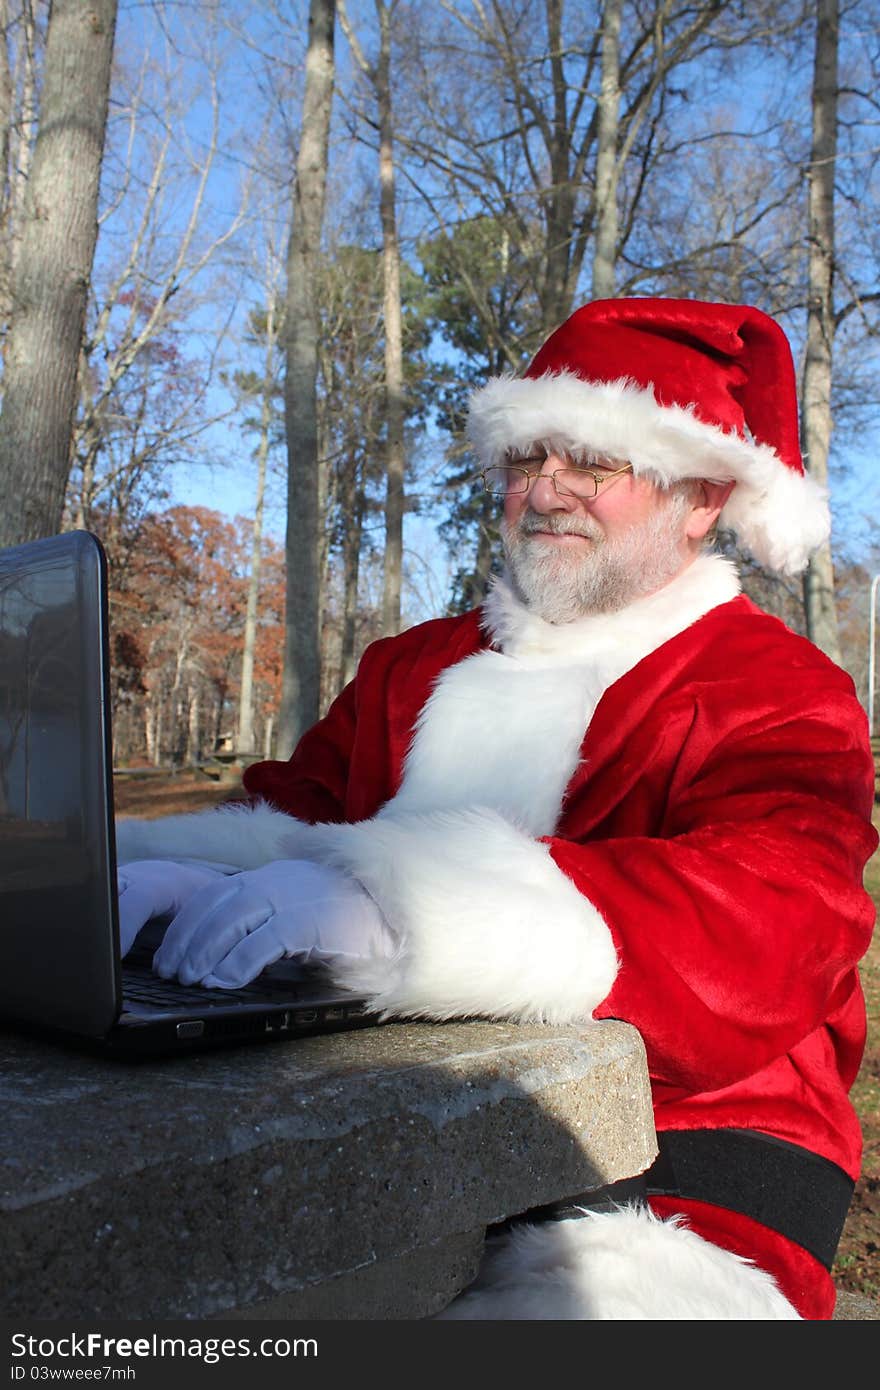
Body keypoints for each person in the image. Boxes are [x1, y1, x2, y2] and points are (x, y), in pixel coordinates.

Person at [115, 297, 878, 1320]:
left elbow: (774, 921)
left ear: (700, 496)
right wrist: (180, 872)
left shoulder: (777, 688)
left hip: (684, 1155)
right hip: (382, 1111)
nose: (546, 490)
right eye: (525, 458)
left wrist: (403, 912)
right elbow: (298, 803)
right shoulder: (411, 664)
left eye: (592, 462)